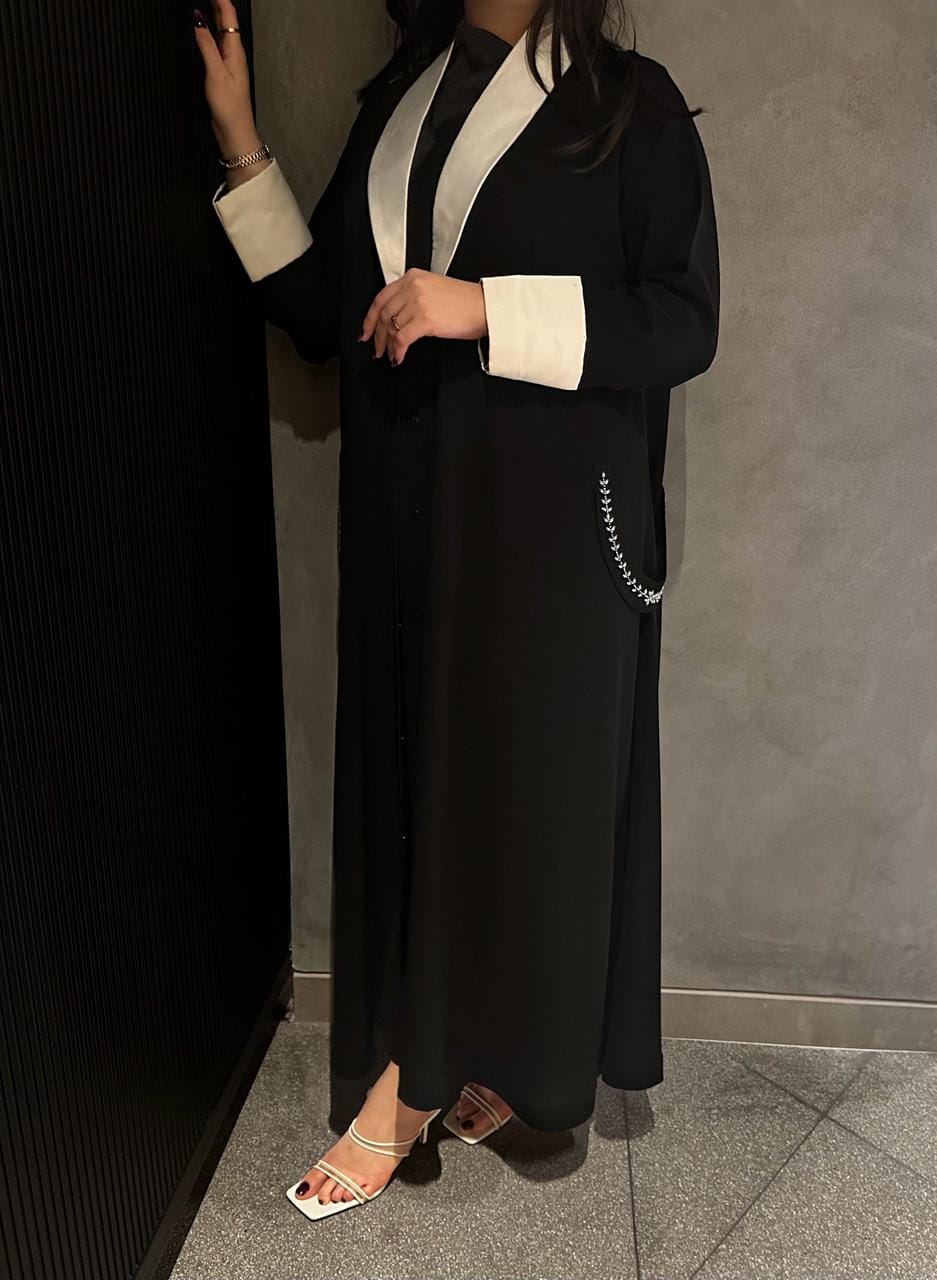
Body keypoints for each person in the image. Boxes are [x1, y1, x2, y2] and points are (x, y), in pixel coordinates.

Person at [194, 0, 719, 1222]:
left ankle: (419, 1080)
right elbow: (324, 314)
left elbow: (682, 320)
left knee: (524, 795)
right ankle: (452, 1054)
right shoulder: (401, 99)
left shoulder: (626, 105)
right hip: (410, 524)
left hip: (550, 534)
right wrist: (239, 141)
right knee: (424, 786)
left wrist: (480, 305)